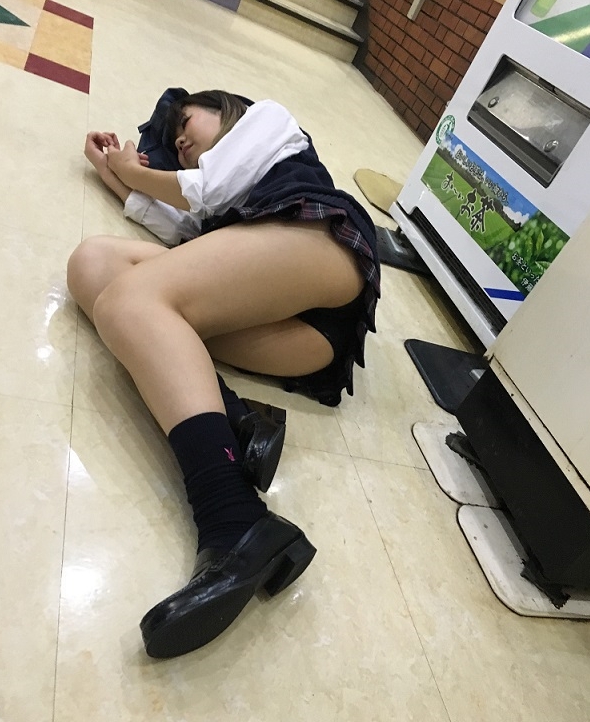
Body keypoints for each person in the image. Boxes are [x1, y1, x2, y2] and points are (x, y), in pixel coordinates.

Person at [68, 90, 381, 658]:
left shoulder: (268, 121)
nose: (181, 142)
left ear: (226, 109)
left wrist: (131, 167)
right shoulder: (218, 213)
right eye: (176, 144)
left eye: (185, 123)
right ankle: (237, 421)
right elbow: (173, 223)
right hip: (283, 329)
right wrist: (110, 170)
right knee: (94, 265)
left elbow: (202, 187)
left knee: (131, 300)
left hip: (320, 252)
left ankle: (234, 520)